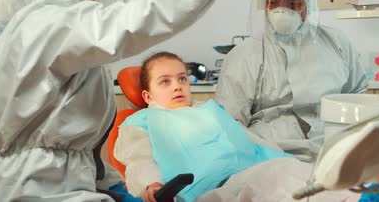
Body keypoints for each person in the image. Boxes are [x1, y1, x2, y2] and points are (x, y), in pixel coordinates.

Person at [0, 0, 250, 201]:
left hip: (43, 182)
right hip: (38, 189)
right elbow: (149, 14)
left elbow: (70, 143)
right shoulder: (55, 23)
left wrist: (114, 186)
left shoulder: (40, 25)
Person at [114, 51, 362, 202]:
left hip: (256, 173)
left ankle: (365, 194)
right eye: (165, 82)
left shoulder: (211, 110)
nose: (177, 86)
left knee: (296, 171)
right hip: (210, 190)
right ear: (147, 96)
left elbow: (253, 142)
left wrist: (291, 160)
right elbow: (140, 161)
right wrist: (151, 185)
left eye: (181, 78)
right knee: (278, 181)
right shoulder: (140, 122)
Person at [215, 0, 369, 162]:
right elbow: (230, 123)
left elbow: (357, 97)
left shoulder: (337, 43)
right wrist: (266, 154)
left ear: (307, 3)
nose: (282, 10)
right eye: (274, 2)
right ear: (265, 4)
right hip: (269, 155)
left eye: (293, 3)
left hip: (331, 150)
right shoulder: (244, 55)